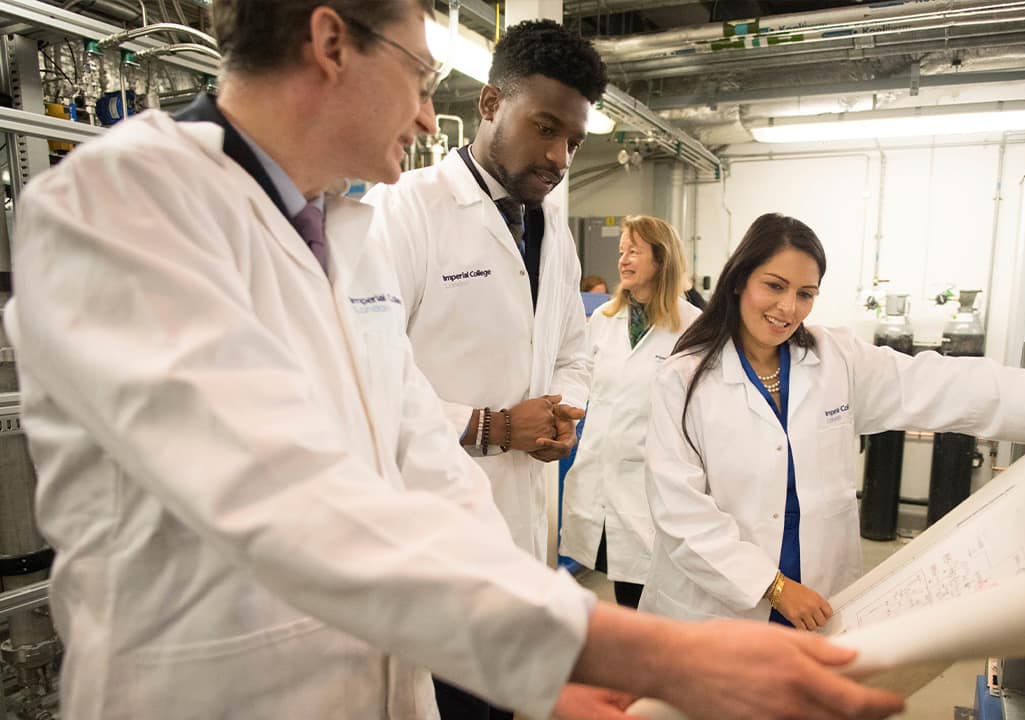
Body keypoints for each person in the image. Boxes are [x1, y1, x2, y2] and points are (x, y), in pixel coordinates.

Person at [3, 4, 905, 719]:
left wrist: (528, 648)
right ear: (329, 43)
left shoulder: (339, 236)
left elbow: (425, 464)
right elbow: (278, 494)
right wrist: (640, 648)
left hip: (378, 677)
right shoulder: (122, 203)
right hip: (208, 693)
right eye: (423, 77)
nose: (428, 112)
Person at [641, 213, 1025, 631]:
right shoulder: (684, 379)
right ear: (740, 280)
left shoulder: (834, 359)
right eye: (775, 285)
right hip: (719, 606)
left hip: (818, 595)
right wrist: (775, 586)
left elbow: (939, 383)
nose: (788, 308)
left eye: (806, 294)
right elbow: (682, 514)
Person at [366, 20, 602, 719]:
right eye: (545, 128)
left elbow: (573, 351)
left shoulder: (550, 229)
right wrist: (493, 426)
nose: (558, 157)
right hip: (432, 548)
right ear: (491, 105)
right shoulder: (404, 212)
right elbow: (373, 381)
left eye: (573, 142)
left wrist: (565, 411)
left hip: (525, 530)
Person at [560, 216, 700, 609]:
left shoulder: (692, 328)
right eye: (621, 251)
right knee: (622, 588)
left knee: (653, 600)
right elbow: (580, 379)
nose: (623, 259)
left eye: (634, 251)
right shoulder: (603, 320)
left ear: (662, 259)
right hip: (599, 482)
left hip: (651, 491)